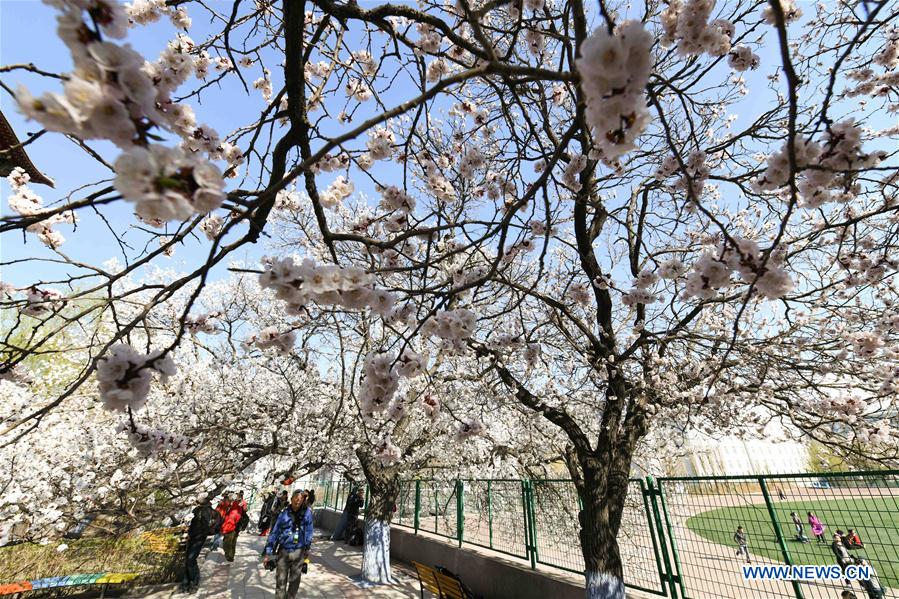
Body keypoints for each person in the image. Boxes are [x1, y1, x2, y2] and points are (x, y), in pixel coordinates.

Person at [263, 490, 313, 599]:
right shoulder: (283, 514)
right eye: (296, 498)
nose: (298, 501)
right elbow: (274, 532)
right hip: (284, 551)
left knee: (295, 581)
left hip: (298, 551)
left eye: (300, 499)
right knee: (280, 580)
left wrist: (307, 547)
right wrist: (268, 552)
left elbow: (309, 530)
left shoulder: (307, 513)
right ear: (291, 499)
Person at [180, 496, 218, 594]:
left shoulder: (210, 512)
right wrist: (186, 525)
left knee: (191, 559)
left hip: (199, 538)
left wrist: (208, 528)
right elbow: (191, 523)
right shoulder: (197, 510)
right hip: (192, 537)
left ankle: (194, 581)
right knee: (188, 559)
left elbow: (212, 524)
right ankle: (186, 582)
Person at [221, 496, 244, 562]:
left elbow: (230, 522)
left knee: (227, 544)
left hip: (230, 529)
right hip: (234, 529)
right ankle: (231, 556)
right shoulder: (238, 508)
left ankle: (229, 557)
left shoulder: (233, 511)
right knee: (232, 543)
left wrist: (224, 530)